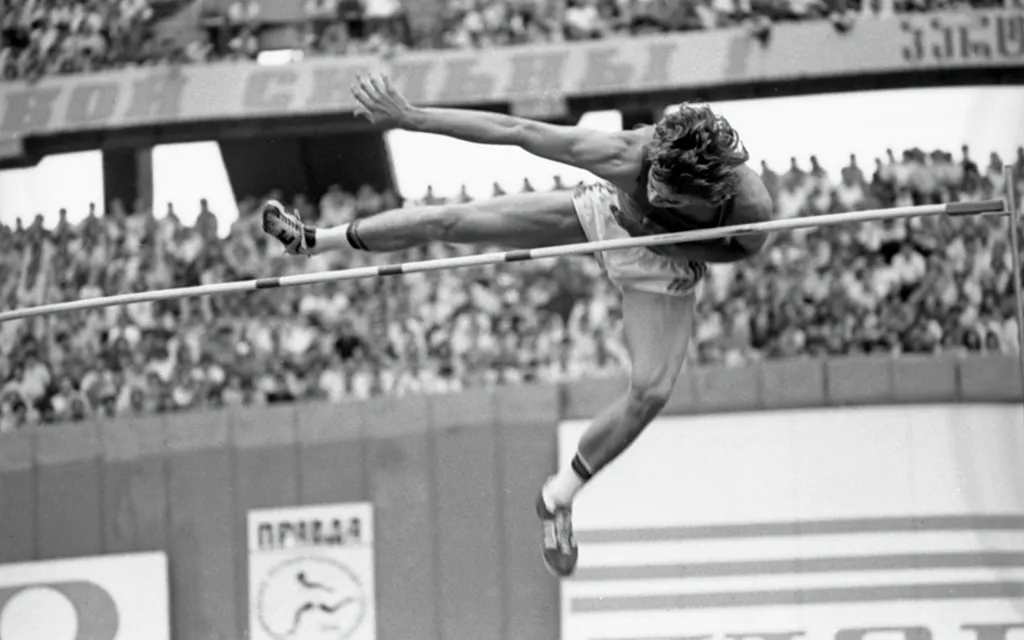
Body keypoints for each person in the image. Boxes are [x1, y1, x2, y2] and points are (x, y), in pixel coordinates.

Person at [262, 73, 774, 578]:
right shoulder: (624, 156)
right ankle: (314, 241)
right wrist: (412, 118)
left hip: (665, 265)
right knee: (451, 221)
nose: (659, 198)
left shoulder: (748, 205)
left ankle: (558, 497)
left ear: (709, 192)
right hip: (607, 216)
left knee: (651, 393)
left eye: (672, 200)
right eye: (655, 187)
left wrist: (666, 238)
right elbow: (517, 131)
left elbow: (738, 250)